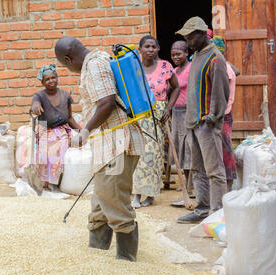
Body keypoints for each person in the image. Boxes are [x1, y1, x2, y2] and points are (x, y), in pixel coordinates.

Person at [54, 36, 146, 262]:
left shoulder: (94, 65)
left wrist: (85, 130)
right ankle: (97, 254)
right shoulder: (99, 59)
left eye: (65, 65)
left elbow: (106, 102)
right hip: (108, 145)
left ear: (68, 59)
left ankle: (126, 261)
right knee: (100, 202)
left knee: (114, 200)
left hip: (117, 144)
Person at [175, 17, 229, 224]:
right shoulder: (196, 56)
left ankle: (217, 214)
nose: (188, 41)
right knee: (197, 169)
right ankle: (201, 210)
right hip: (193, 123)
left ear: (201, 34)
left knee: (214, 171)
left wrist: (212, 117)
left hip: (207, 124)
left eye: (190, 37)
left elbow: (220, 93)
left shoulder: (215, 58)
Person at [131, 35, 180, 208]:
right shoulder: (134, 68)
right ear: (140, 49)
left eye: (154, 47)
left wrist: (168, 108)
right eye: (147, 47)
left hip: (158, 116)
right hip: (138, 115)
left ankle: (150, 194)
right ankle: (136, 194)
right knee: (137, 154)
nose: (150, 50)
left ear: (158, 49)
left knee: (153, 154)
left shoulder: (165, 66)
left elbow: (176, 88)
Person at [30, 64, 82, 192]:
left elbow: (69, 117)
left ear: (57, 78)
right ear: (42, 82)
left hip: (61, 130)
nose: (51, 81)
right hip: (45, 130)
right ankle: (46, 182)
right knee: (43, 155)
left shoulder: (65, 95)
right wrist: (35, 107)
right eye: (47, 79)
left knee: (59, 152)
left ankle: (56, 183)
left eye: (53, 77)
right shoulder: (39, 96)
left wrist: (81, 130)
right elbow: (34, 104)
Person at [211, 36, 239, 192]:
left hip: (223, 115)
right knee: (221, 149)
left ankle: (228, 185)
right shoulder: (225, 66)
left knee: (225, 149)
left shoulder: (224, 68)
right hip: (221, 114)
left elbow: (221, 93)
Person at [169, 40, 193, 206]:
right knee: (180, 148)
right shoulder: (175, 71)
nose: (175, 57)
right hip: (176, 113)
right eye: (173, 55)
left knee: (190, 148)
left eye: (179, 54)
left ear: (186, 53)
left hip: (188, 111)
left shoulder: (192, 69)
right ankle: (185, 184)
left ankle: (191, 186)